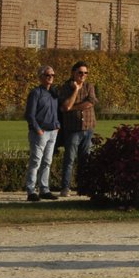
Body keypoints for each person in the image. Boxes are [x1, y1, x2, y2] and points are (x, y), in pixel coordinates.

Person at [58, 62, 99, 195]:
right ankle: (65, 188)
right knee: (69, 159)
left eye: (85, 73)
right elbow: (64, 106)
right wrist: (75, 90)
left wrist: (72, 107)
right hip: (73, 129)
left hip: (88, 128)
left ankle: (83, 187)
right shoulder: (65, 87)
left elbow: (91, 102)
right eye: (80, 72)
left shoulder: (89, 86)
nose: (83, 75)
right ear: (73, 73)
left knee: (84, 160)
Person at [23, 66, 60, 201]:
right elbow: (29, 114)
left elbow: (56, 111)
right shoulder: (35, 93)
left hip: (52, 131)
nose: (51, 77)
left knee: (47, 161)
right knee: (36, 161)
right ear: (41, 77)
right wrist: (38, 129)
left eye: (52, 75)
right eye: (47, 75)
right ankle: (31, 190)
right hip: (40, 132)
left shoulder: (54, 93)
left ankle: (44, 189)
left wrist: (57, 126)